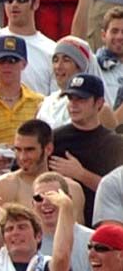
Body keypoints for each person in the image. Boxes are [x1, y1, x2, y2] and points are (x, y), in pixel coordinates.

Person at [50, 73, 123, 220]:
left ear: (99, 103)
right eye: (70, 98)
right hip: (59, 221)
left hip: (102, 222)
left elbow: (118, 192)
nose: (73, 104)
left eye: (81, 99)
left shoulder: (115, 144)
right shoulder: (53, 138)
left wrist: (81, 174)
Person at [0, 120, 87, 220]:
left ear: (48, 149)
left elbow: (77, 228)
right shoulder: (4, 186)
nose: (22, 157)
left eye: (29, 150)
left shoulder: (72, 188)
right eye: (18, 149)